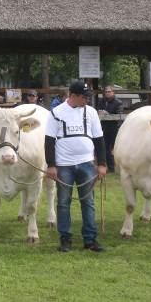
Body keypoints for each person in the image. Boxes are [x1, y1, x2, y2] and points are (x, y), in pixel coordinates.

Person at [45, 80, 107, 253]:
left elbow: (99, 139)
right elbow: (49, 140)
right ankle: (65, 239)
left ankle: (90, 239)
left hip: (86, 164)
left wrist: (101, 164)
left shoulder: (91, 112)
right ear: (72, 96)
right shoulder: (56, 113)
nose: (86, 100)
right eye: (83, 97)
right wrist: (51, 165)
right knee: (63, 203)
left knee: (88, 202)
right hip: (64, 165)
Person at [96, 85, 124, 172]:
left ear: (113, 92)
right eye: (106, 92)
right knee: (105, 148)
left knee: (116, 148)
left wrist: (107, 114)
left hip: (114, 128)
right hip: (104, 127)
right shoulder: (101, 101)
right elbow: (98, 110)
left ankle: (121, 167)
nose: (107, 93)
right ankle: (110, 168)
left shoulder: (118, 102)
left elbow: (119, 115)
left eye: (109, 91)